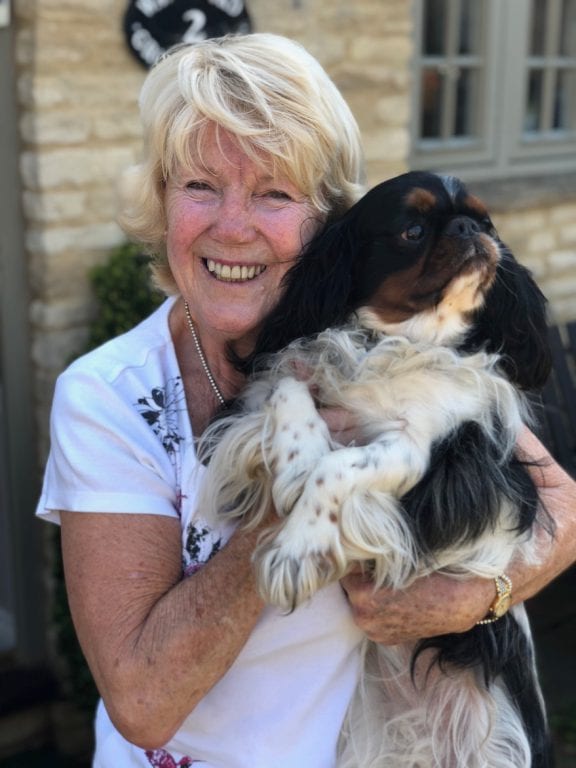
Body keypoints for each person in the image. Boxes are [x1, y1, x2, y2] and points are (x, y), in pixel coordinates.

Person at [36, 33, 576, 767]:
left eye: (274, 193)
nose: (233, 225)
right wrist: (293, 505)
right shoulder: (108, 395)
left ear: (328, 222)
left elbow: (564, 510)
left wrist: (473, 599)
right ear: (161, 204)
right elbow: (143, 702)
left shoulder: (396, 350)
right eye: (199, 185)